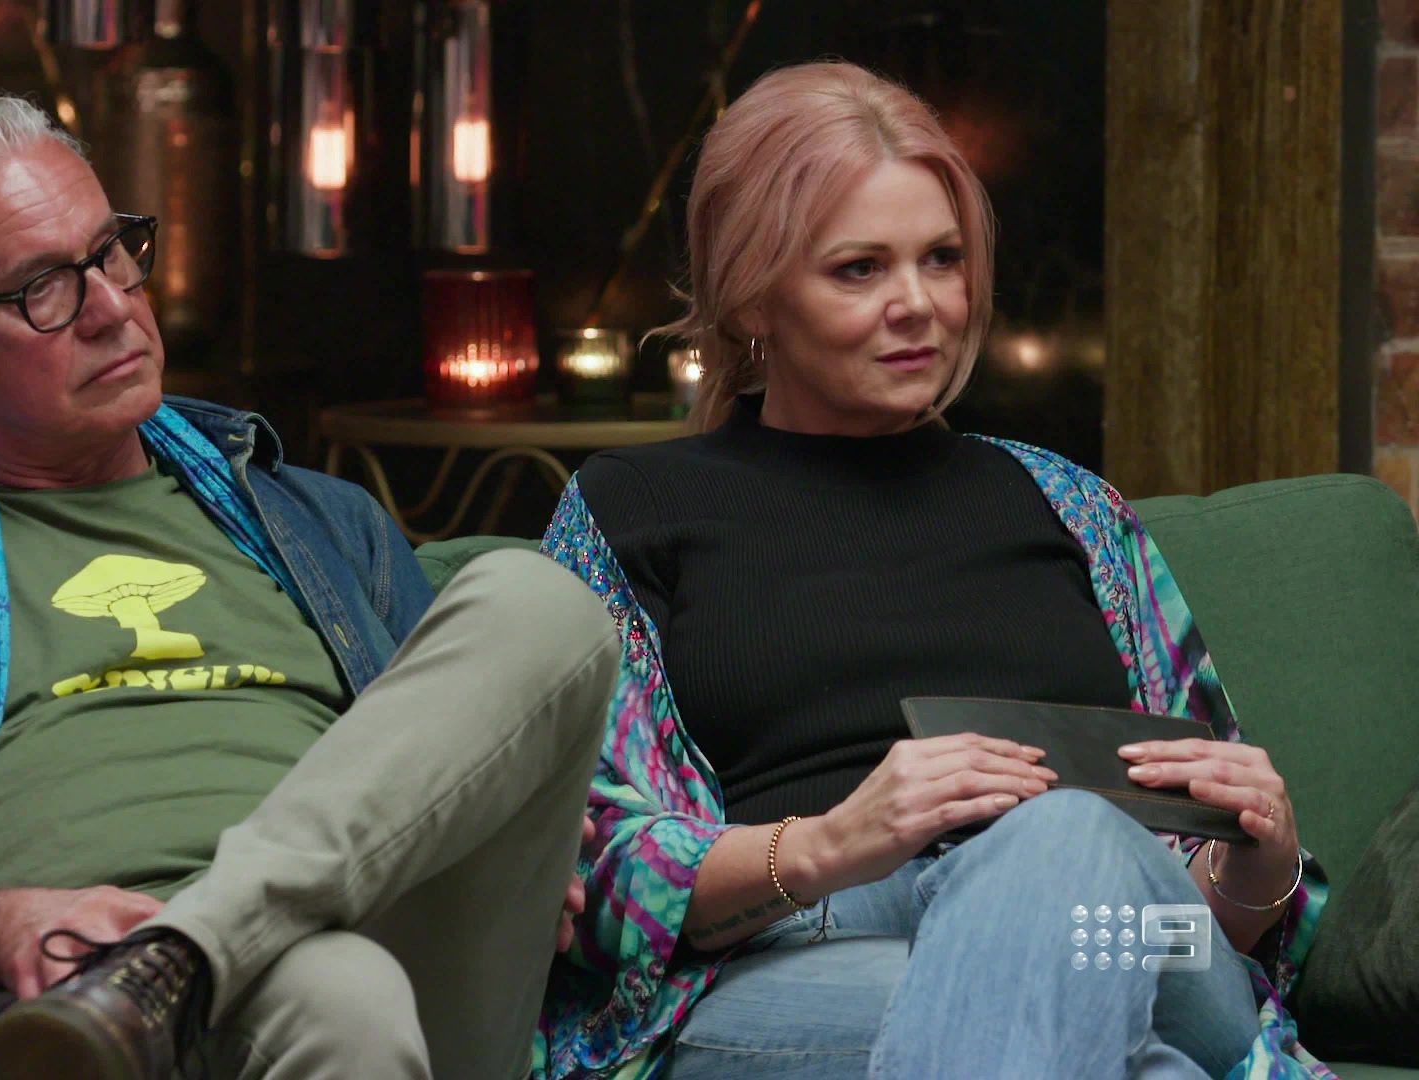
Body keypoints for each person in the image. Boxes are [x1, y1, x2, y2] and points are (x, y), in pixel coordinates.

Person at [0, 91, 616, 1080]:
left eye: (112, 252)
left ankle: (185, 955)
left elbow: (469, 775)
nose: (113, 307)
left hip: (405, 955)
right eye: (42, 287)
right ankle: (170, 973)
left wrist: (523, 850)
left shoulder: (321, 525)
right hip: (71, 1023)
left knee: (537, 598)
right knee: (339, 991)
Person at [535, 63, 1334, 1079]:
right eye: (859, 269)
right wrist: (831, 842)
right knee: (1142, 1058)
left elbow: (1208, 928)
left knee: (1068, 846)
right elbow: (580, 871)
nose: (917, 304)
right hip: (806, 948)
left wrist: (1260, 864)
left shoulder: (1070, 508)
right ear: (751, 297)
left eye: (942, 259)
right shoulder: (632, 512)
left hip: (1125, 931)